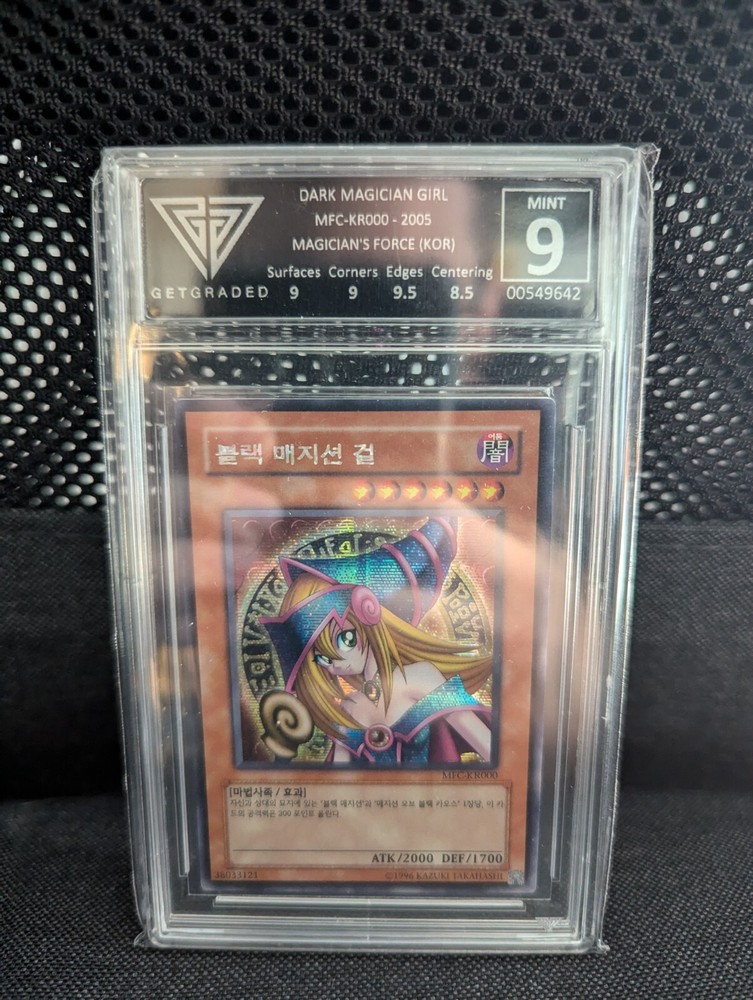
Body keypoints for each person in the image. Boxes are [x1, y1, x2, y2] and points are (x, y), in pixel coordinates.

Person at [260, 517, 493, 765]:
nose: (334, 663)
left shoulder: (420, 678)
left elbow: (490, 749)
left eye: (344, 639)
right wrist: (283, 753)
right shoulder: (348, 707)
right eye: (321, 657)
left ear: (368, 615)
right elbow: (337, 782)